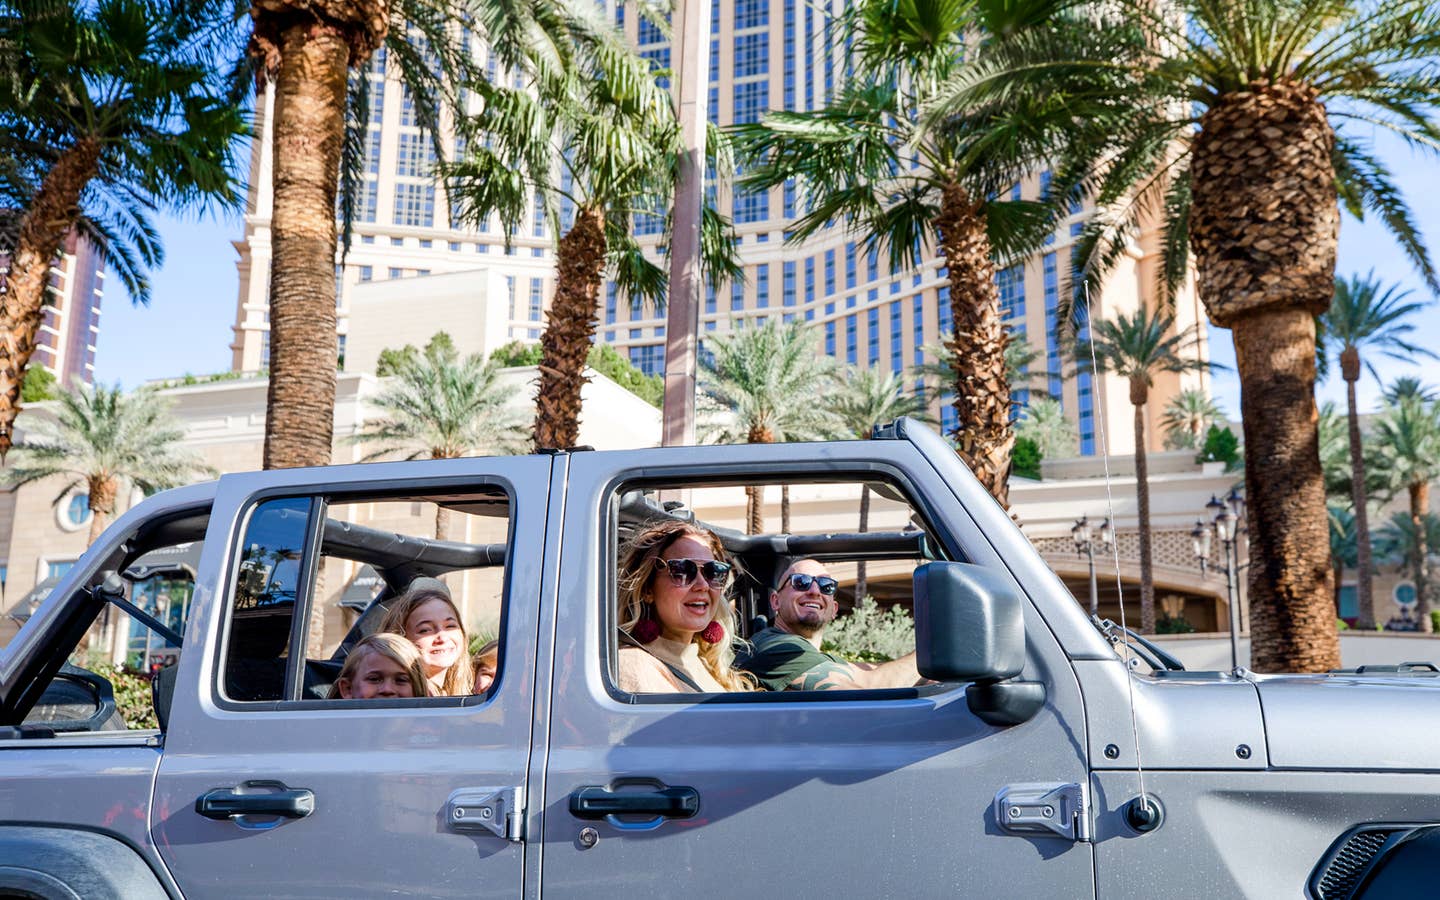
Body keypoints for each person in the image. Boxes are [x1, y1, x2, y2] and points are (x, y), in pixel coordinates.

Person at [737, 558, 920, 691]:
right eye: (801, 582)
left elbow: (866, 670)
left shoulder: (811, 655)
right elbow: (866, 689)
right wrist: (933, 651)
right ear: (775, 601)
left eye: (826, 586)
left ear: (834, 609)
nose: (815, 591)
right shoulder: (775, 648)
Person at [616, 521, 753, 693]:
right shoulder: (633, 664)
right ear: (647, 590)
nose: (703, 585)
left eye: (713, 572)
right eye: (683, 571)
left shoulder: (708, 664)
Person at [379, 584, 474, 696]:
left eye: (450, 626)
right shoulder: (406, 697)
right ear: (400, 639)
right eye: (425, 630)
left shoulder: (452, 693)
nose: (442, 637)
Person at [328, 633, 431, 700]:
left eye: (401, 680)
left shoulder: (436, 733)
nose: (387, 689)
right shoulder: (326, 733)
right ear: (348, 689)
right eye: (374, 679)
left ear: (417, 689)